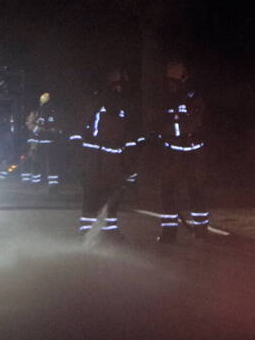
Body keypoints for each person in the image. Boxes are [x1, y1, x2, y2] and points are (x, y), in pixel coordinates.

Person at [69, 69, 142, 239]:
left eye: (122, 86)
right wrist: (78, 153)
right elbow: (80, 128)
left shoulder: (126, 107)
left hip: (114, 158)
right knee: (92, 192)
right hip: (95, 157)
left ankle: (110, 229)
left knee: (113, 193)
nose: (119, 89)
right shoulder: (96, 103)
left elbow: (129, 136)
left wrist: (130, 159)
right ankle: (87, 229)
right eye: (117, 85)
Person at [153, 60, 208, 243]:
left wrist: (166, 132)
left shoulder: (191, 98)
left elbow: (192, 124)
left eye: (172, 81)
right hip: (177, 152)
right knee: (169, 191)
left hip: (187, 152)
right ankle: (170, 232)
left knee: (193, 190)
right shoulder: (171, 98)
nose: (169, 85)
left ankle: (200, 230)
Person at [31, 92, 62, 191]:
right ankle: (45, 184)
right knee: (45, 163)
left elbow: (56, 129)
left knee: (47, 164)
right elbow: (35, 129)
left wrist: (44, 130)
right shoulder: (40, 113)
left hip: (47, 143)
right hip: (45, 143)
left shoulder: (48, 113)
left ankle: (49, 184)